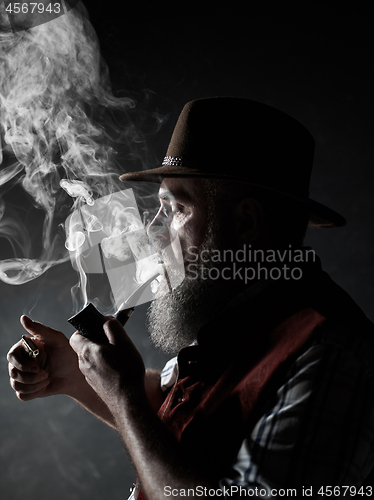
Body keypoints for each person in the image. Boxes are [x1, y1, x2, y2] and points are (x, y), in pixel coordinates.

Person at [7, 97, 374, 499]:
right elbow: (177, 413)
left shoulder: (331, 356)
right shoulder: (239, 316)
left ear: (245, 222)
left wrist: (125, 400)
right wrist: (76, 375)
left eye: (176, 207)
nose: (156, 230)